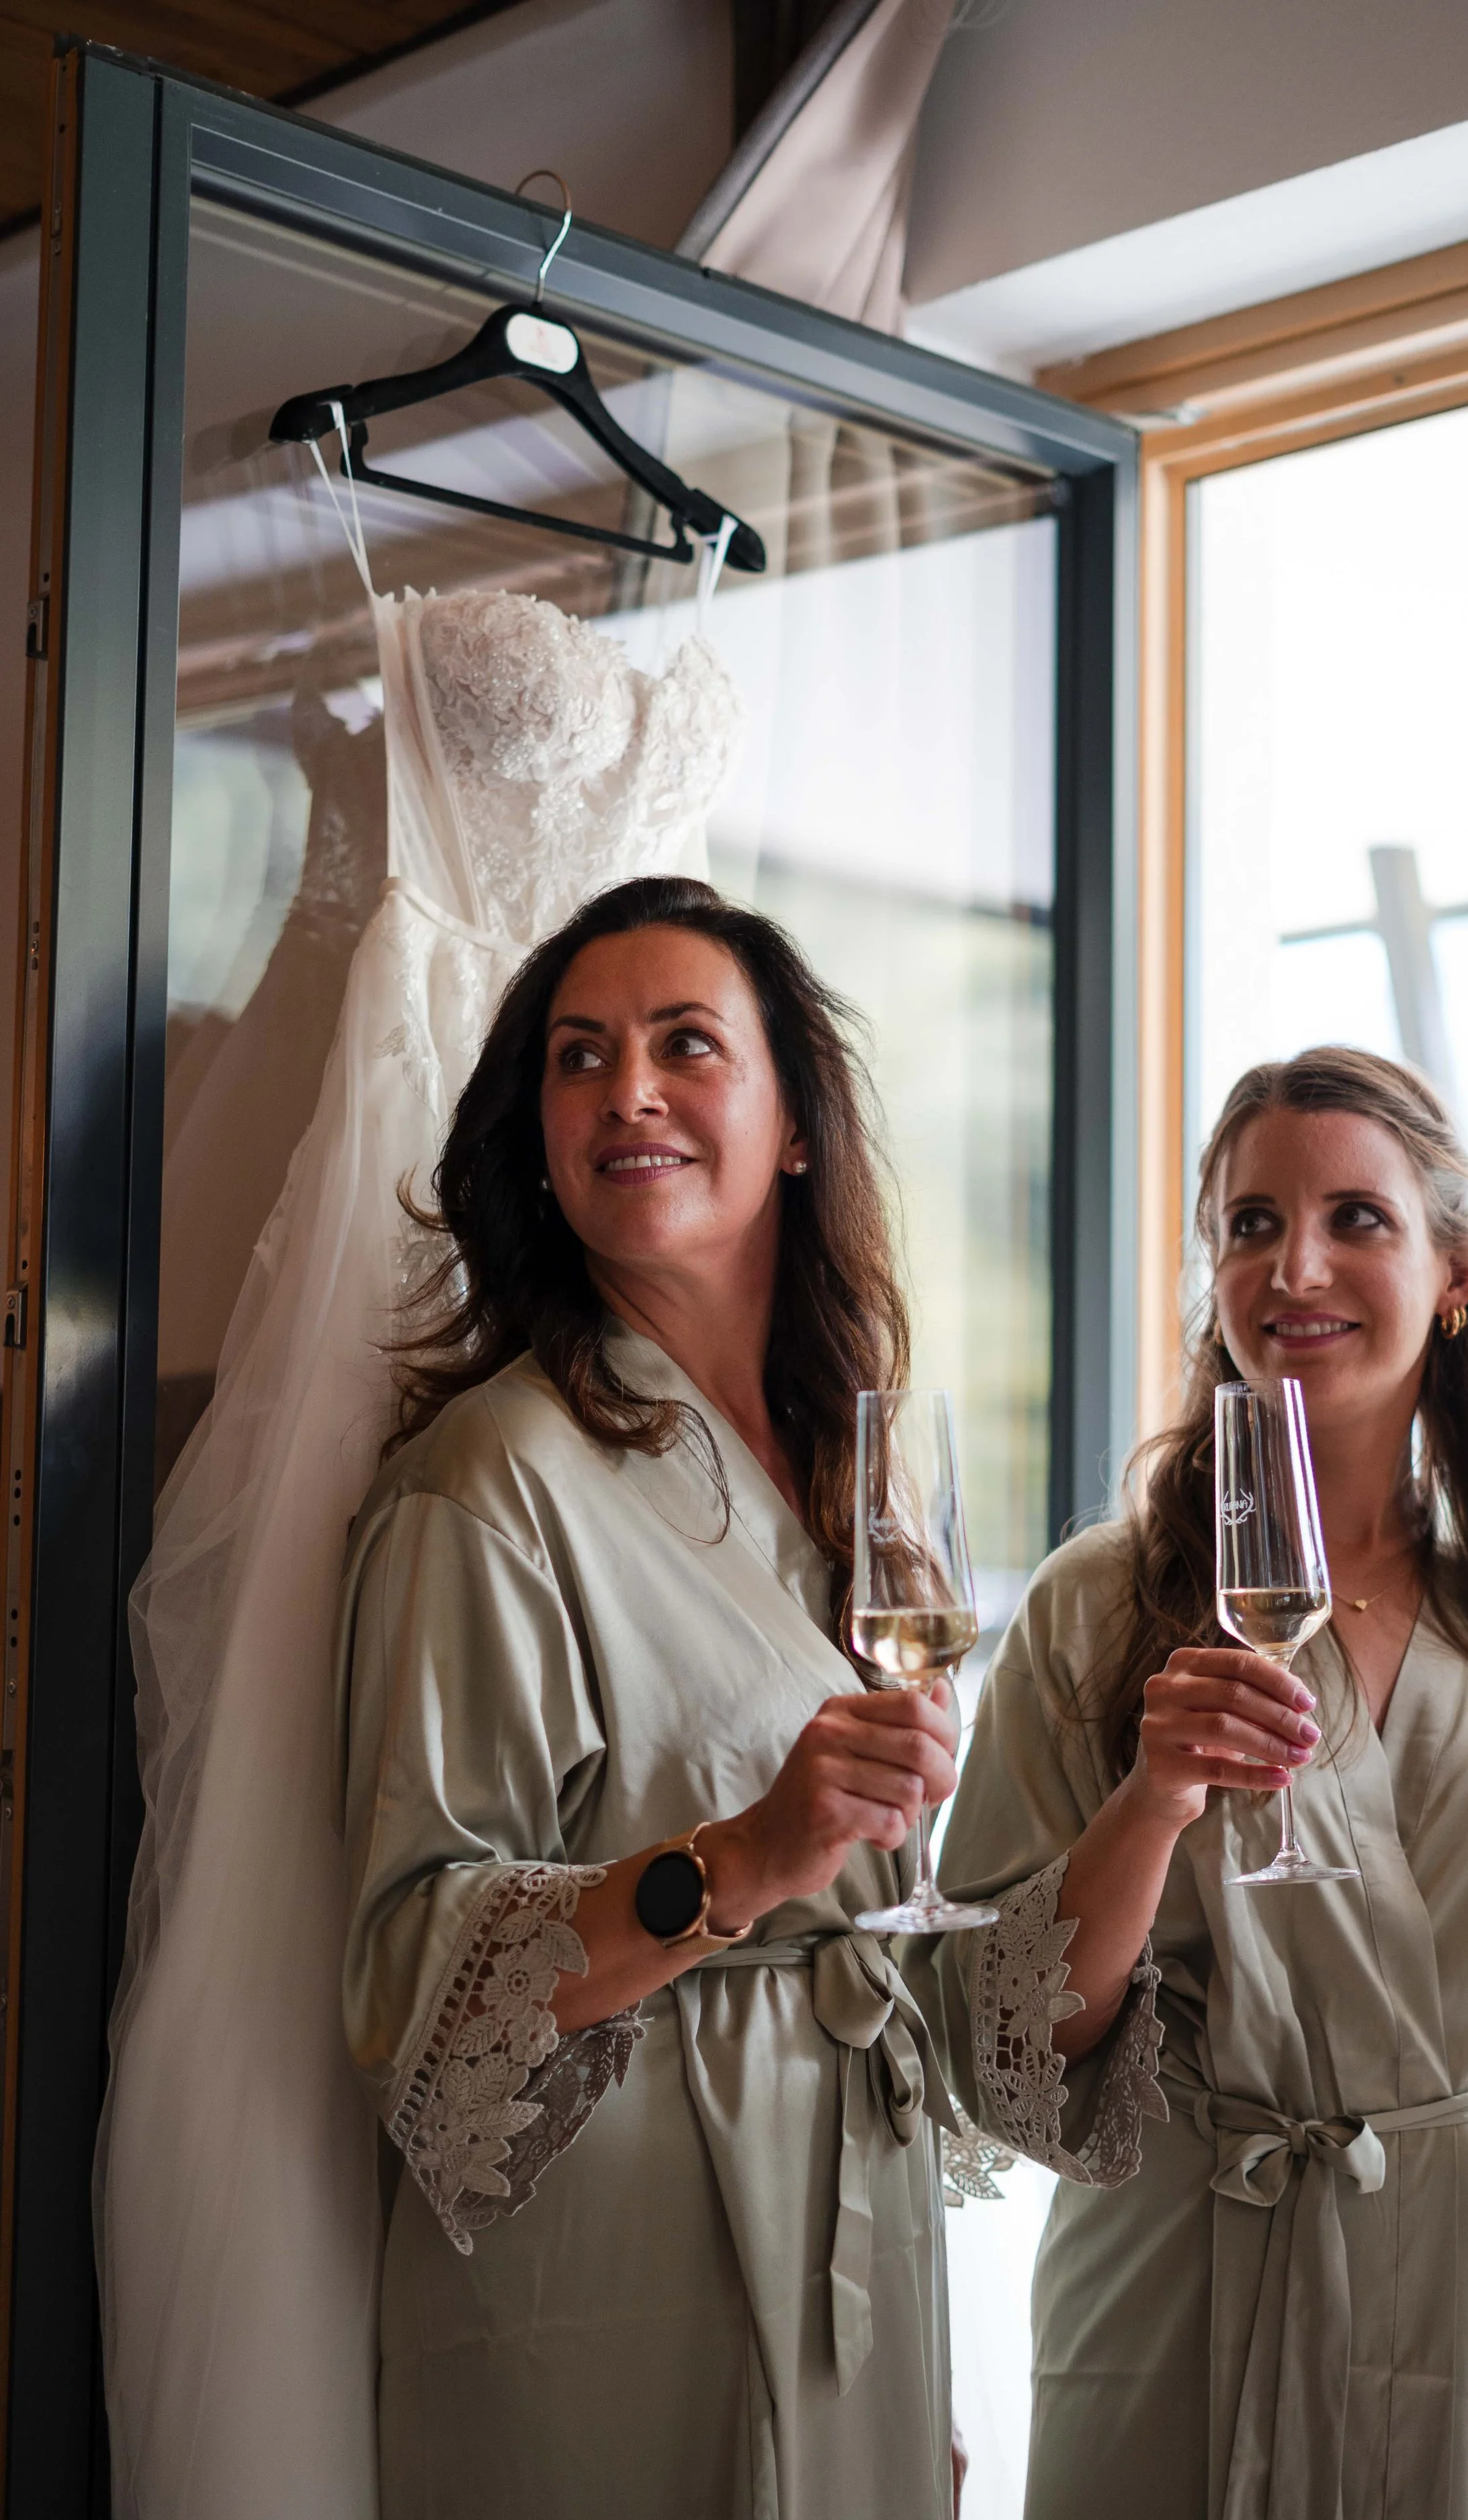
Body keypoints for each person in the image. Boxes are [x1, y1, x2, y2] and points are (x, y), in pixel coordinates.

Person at [915, 1047, 1468, 2520]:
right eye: (1249, 1224)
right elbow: (1001, 2051)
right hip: (1181, 2293)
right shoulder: (1096, 1611)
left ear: (1454, 1274)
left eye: (1355, 1219)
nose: (1294, 1266)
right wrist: (1149, 1803)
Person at [336, 873, 965, 2519]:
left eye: (687, 1044)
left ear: (798, 1121)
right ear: (537, 1139)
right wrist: (743, 1859)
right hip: (610, 2288)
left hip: (859, 2243)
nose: (627, 1093)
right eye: (577, 1058)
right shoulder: (485, 1484)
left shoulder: (863, 1483)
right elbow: (416, 1990)